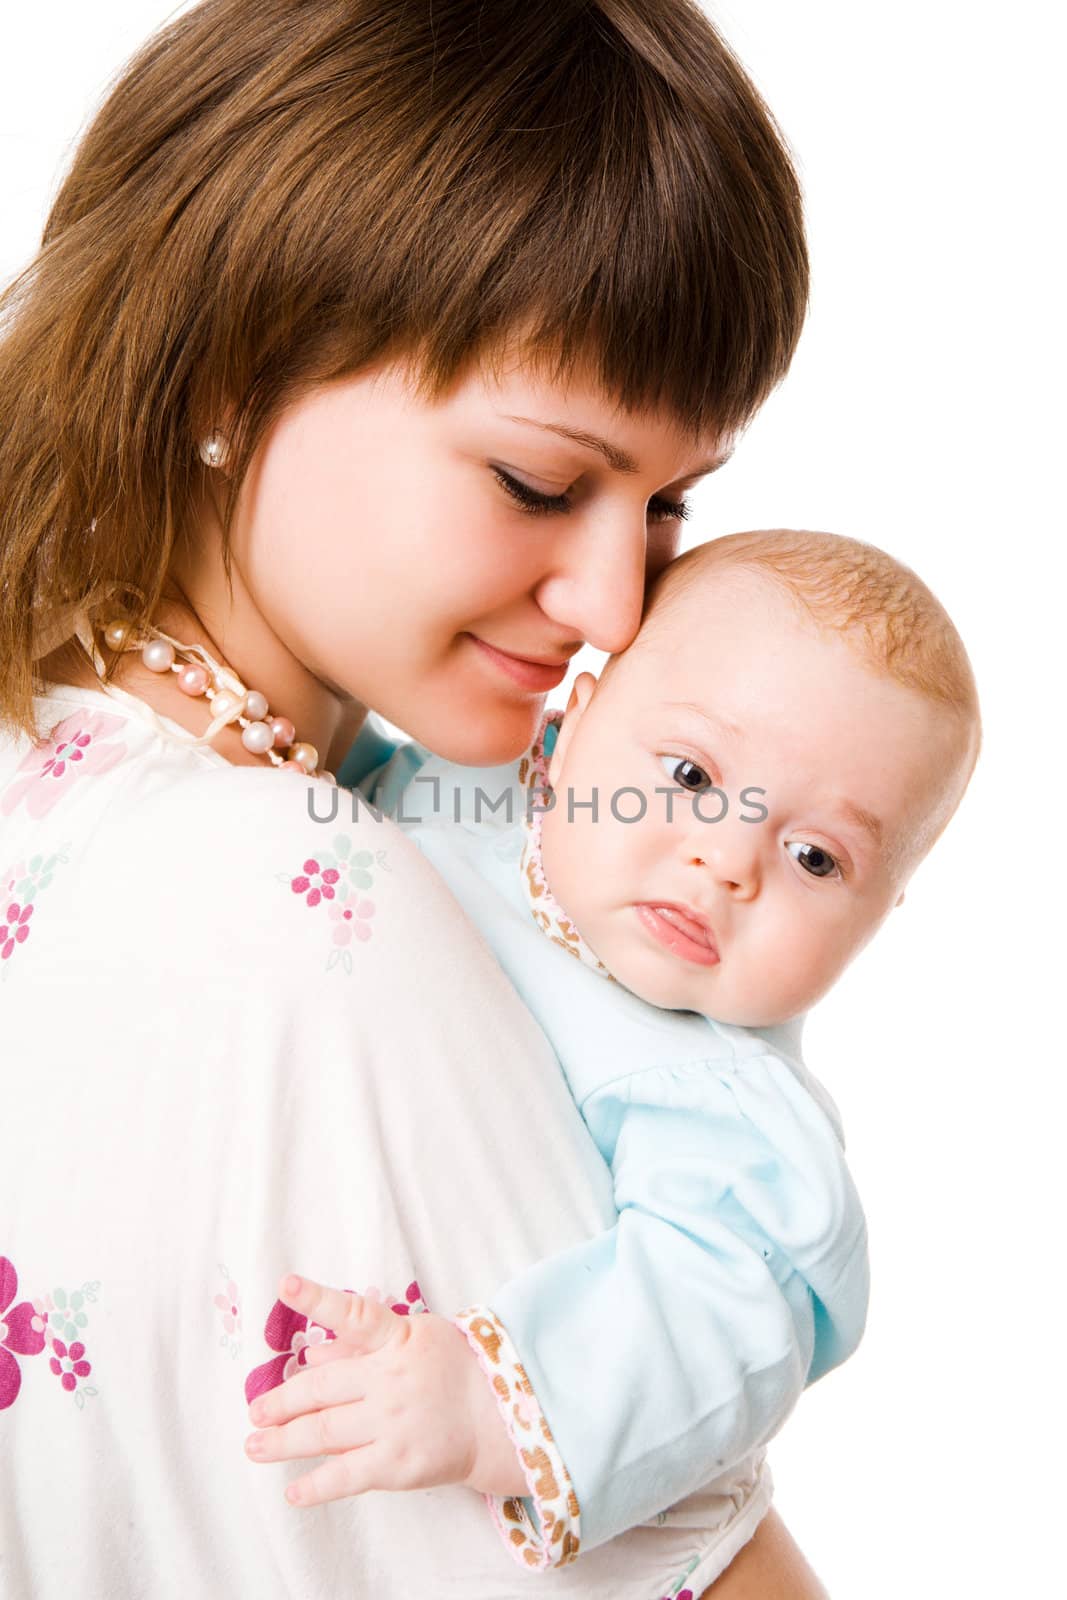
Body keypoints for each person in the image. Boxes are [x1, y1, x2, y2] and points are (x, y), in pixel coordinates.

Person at [0, 0, 834, 1593]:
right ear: (232, 363)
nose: (608, 602)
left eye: (665, 507)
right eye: (540, 481)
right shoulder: (321, 915)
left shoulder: (48, 759)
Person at [242, 529, 979, 1566]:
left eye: (815, 856)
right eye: (687, 773)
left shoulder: (722, 1103)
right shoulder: (467, 785)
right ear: (569, 726)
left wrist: (485, 1399)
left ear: (874, 918)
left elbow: (719, 1315)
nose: (724, 860)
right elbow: (324, 773)